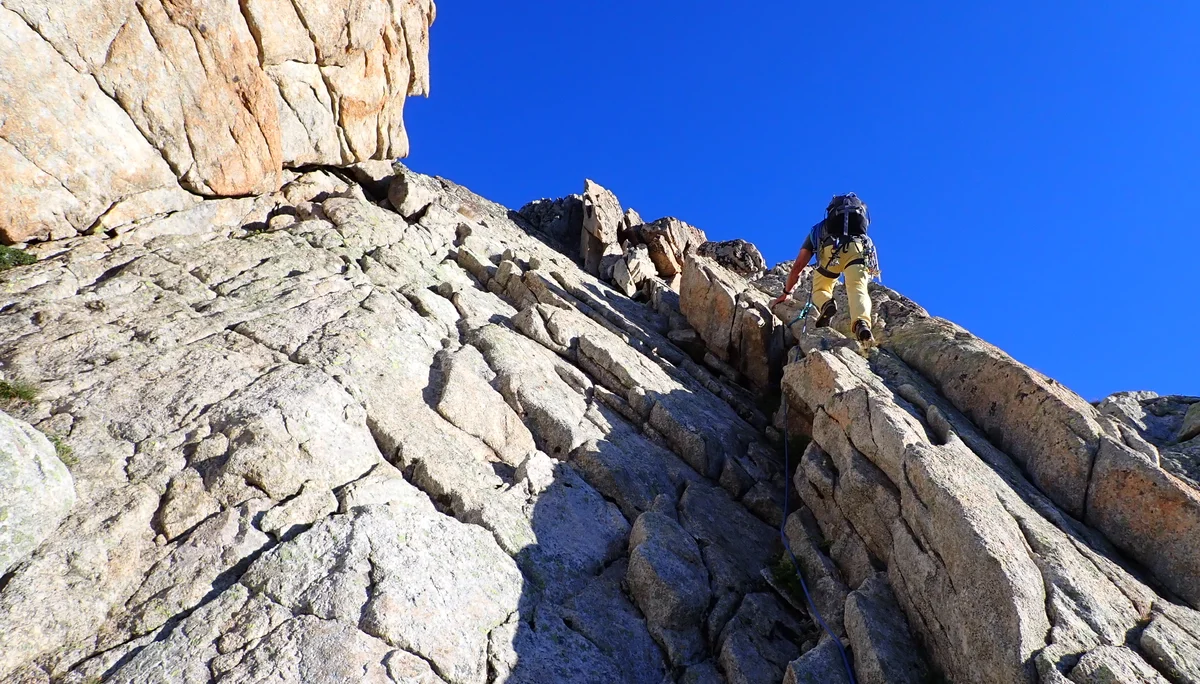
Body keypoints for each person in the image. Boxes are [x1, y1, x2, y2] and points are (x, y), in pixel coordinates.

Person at [771, 193, 880, 343]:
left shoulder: (818, 229)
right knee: (858, 288)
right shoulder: (859, 229)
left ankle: (826, 303)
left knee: (820, 289)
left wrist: (786, 292)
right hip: (858, 249)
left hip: (831, 252)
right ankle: (862, 323)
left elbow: (798, 266)